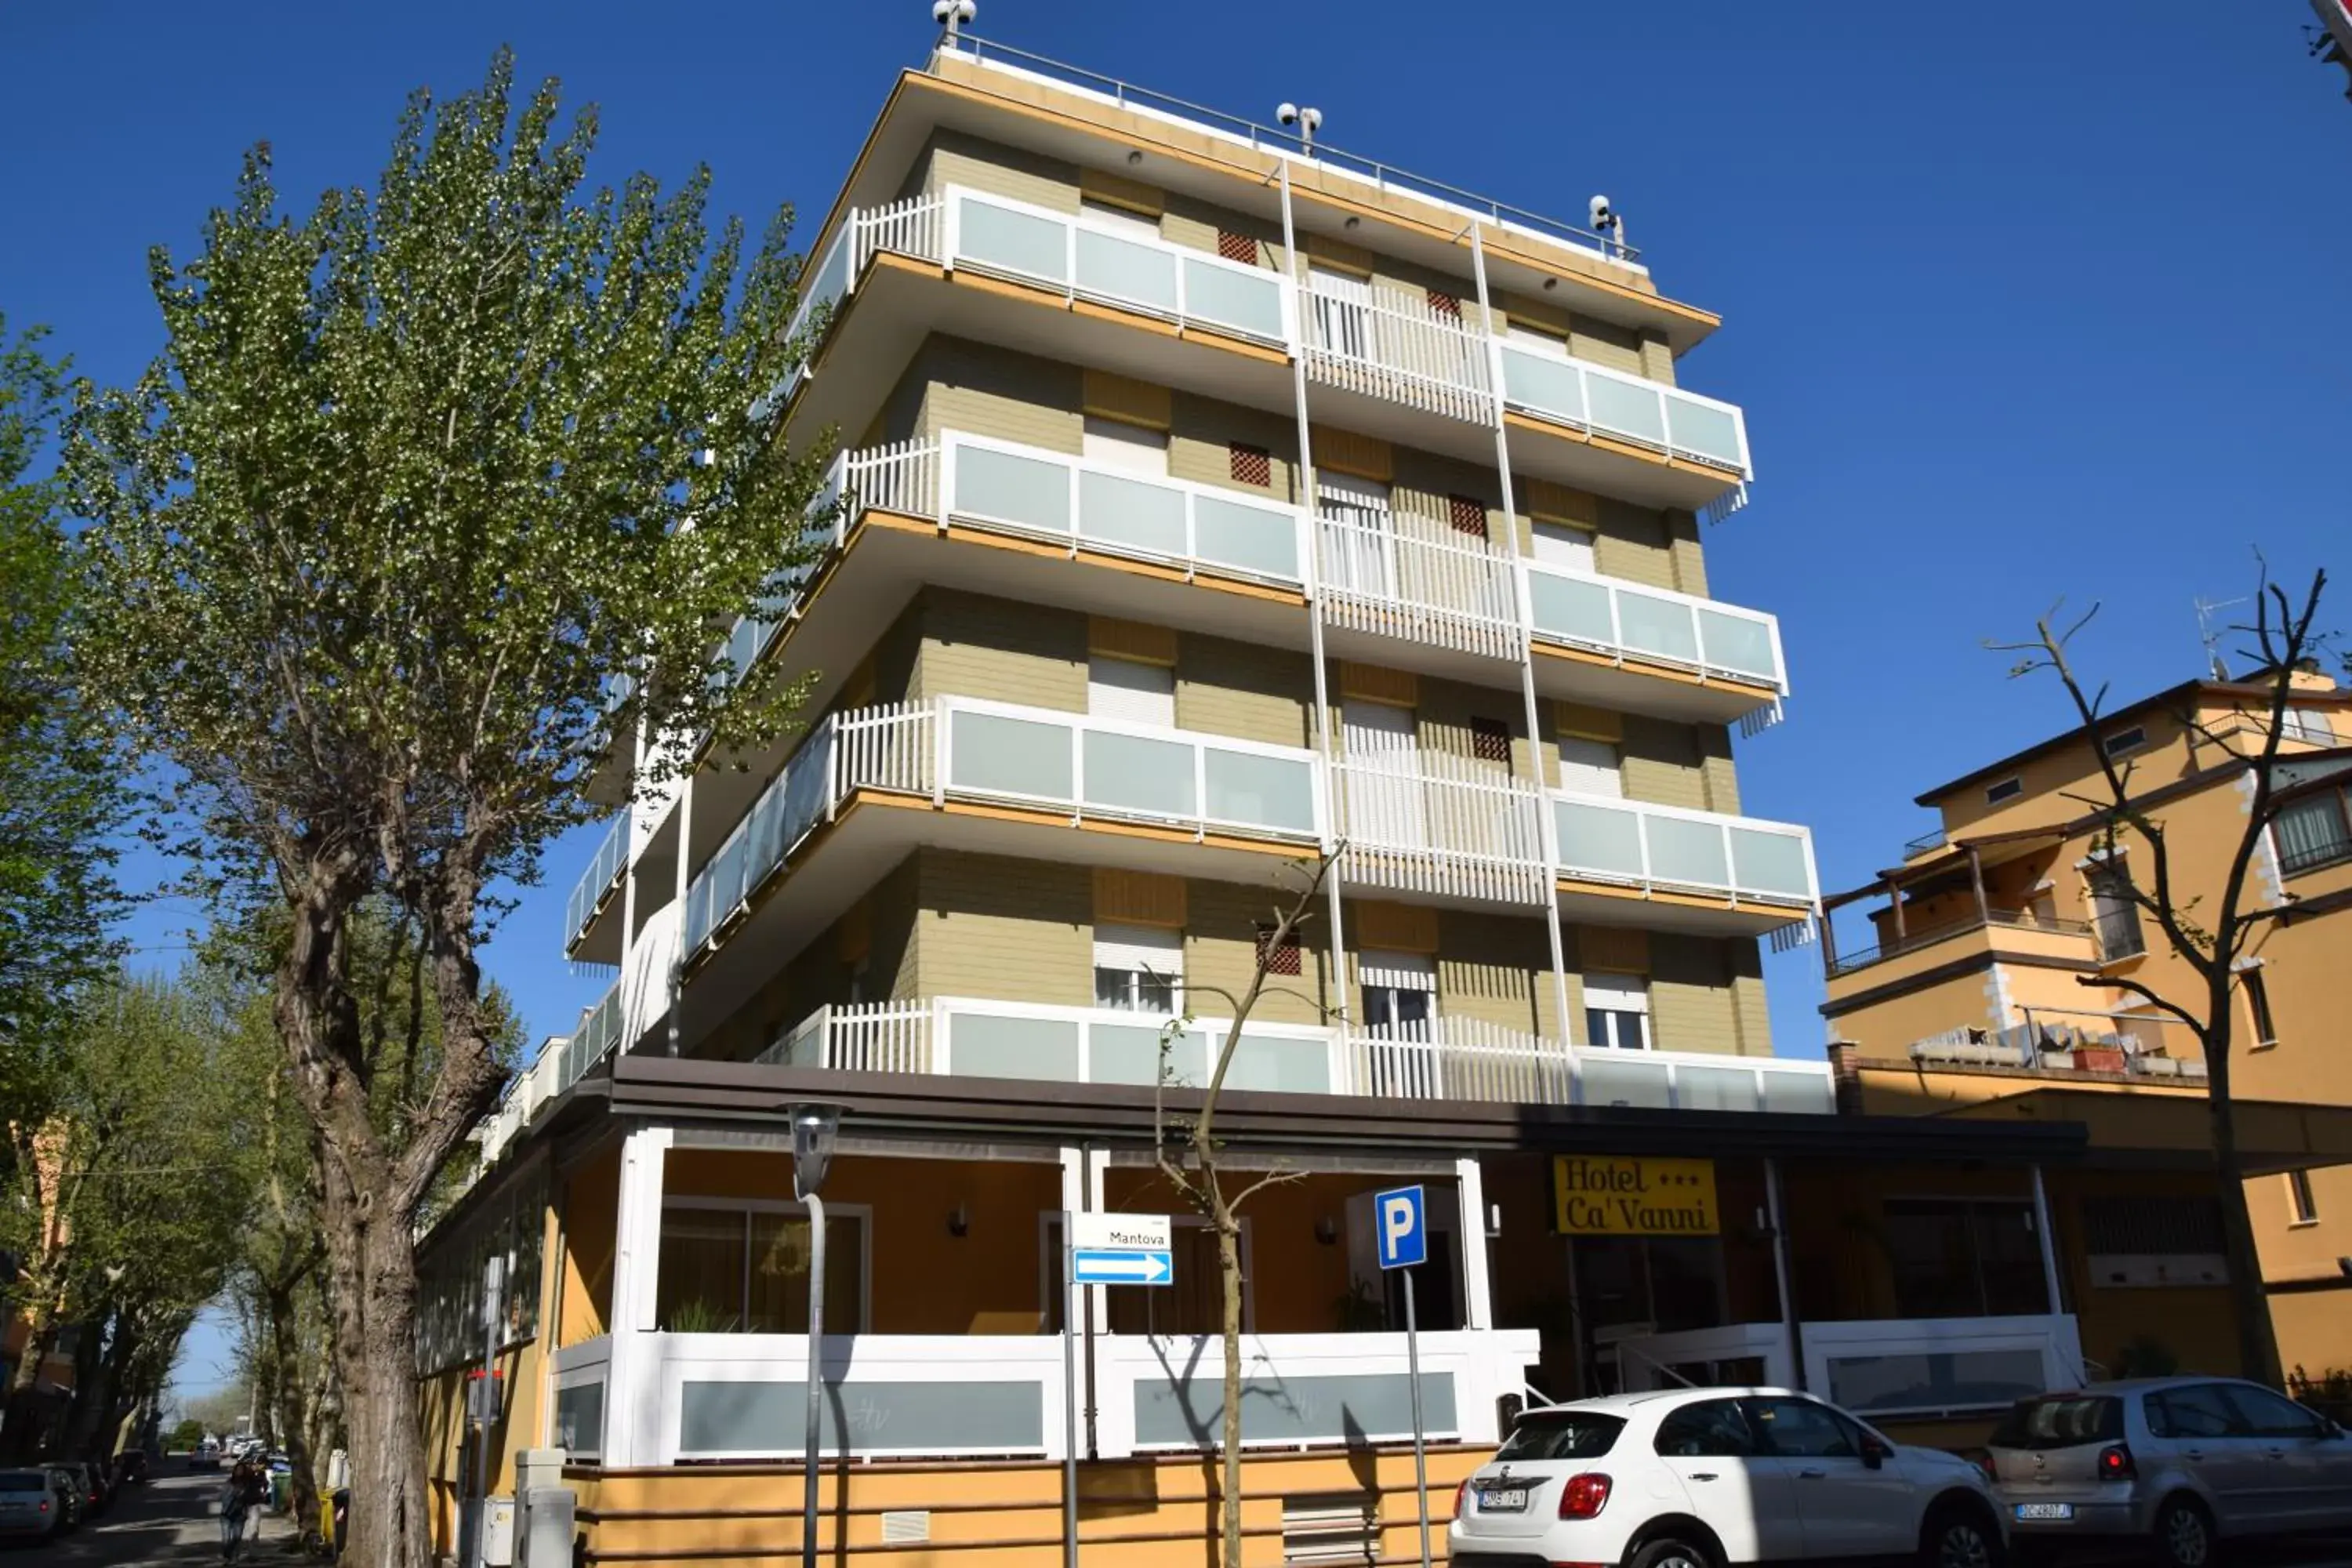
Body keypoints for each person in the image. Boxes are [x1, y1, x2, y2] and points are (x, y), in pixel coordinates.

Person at [219, 1457, 267, 1563]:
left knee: (251, 1531)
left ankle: (252, 1554)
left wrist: (259, 1474)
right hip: (237, 1509)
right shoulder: (234, 1481)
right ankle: (231, 1556)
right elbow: (225, 1495)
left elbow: (263, 1485)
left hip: (252, 1506)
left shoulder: (256, 1477)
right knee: (233, 1536)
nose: (253, 1467)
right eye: (252, 1465)